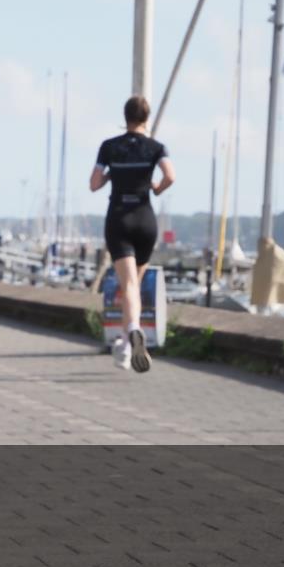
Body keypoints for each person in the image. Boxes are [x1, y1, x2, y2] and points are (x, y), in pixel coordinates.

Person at [90, 96, 175, 372]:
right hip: (145, 219)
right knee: (133, 287)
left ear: (125, 117)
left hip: (119, 218)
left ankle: (133, 331)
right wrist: (156, 188)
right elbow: (170, 176)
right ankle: (126, 346)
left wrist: (112, 175)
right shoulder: (156, 147)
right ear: (146, 118)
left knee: (127, 286)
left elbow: (94, 184)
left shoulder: (109, 147)